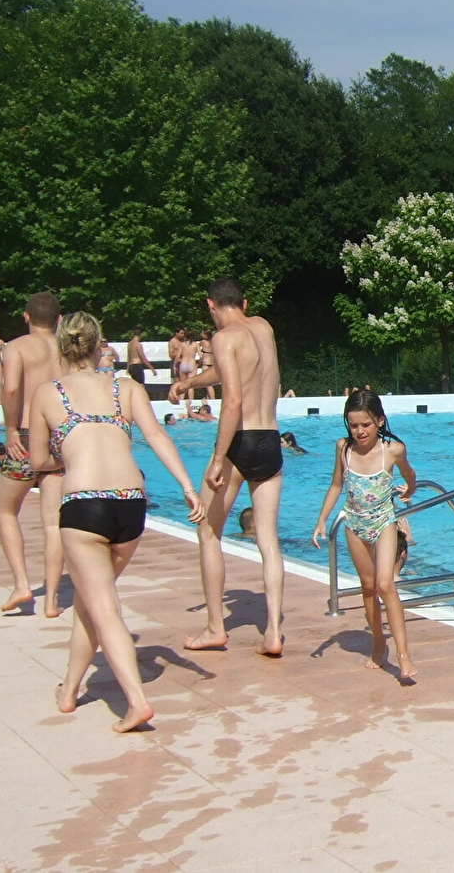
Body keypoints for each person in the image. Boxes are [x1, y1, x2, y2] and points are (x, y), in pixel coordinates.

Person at [30, 311, 206, 732]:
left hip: (84, 505)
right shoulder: (125, 387)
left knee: (103, 606)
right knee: (91, 603)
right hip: (131, 505)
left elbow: (37, 460)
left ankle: (137, 701)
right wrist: (187, 486)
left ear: (62, 347)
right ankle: (70, 690)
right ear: (97, 344)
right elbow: (158, 436)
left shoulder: (47, 394)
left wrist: (70, 455)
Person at [169, 278, 287, 656]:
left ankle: (215, 628)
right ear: (245, 302)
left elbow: (232, 399)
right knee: (268, 540)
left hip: (241, 441)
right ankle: (272, 633)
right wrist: (190, 383)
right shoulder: (264, 327)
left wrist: (218, 459)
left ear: (210, 305)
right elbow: (230, 372)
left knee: (208, 532)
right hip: (270, 439)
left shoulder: (223, 339)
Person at [311, 390, 419, 682]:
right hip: (354, 524)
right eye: (353, 425)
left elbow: (410, 474)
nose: (359, 431)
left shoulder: (392, 450)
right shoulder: (343, 448)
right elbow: (336, 485)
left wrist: (409, 489)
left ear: (379, 421)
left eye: (366, 425)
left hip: (384, 523)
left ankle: (403, 654)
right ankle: (378, 641)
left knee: (386, 584)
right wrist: (322, 519)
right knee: (369, 587)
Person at [0, 292, 67, 615]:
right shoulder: (67, 350)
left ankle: (22, 584)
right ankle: (52, 599)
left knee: (6, 511)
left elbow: (10, 389)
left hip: (24, 437)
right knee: (53, 523)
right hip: (57, 438)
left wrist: (11, 429)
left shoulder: (16, 348)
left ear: (26, 317)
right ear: (58, 319)